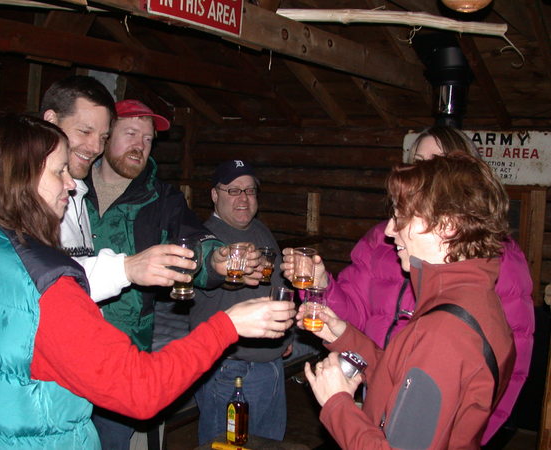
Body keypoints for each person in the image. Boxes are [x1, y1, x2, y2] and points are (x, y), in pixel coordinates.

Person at [0, 114, 296, 449]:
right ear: (21, 178)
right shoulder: (48, 284)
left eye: (149, 139)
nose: (72, 185)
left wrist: (212, 260)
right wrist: (228, 325)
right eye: (59, 171)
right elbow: (141, 391)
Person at [284, 126, 534, 444]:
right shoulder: (466, 295)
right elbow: (405, 376)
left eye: (402, 216)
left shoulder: (446, 330)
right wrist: (343, 335)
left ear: (446, 224)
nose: (389, 230)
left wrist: (337, 404)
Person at [84, 101, 261, 447]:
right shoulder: (70, 186)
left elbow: (192, 239)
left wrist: (215, 260)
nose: (141, 145)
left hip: (122, 352)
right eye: (131, 134)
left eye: (148, 139)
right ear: (105, 137)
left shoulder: (162, 198)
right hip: (63, 345)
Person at [41, 76, 198, 302]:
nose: (95, 146)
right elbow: (40, 280)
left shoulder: (77, 188)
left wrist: (215, 259)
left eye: (147, 139)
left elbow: (73, 274)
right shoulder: (27, 188)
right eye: (85, 131)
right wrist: (126, 268)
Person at [190, 160, 292, 445]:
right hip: (231, 371)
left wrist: (288, 334)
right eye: (233, 190)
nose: (243, 198)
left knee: (268, 444)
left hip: (271, 364)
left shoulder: (260, 231)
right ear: (214, 195)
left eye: (249, 190)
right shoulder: (206, 239)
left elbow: (277, 286)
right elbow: (205, 272)